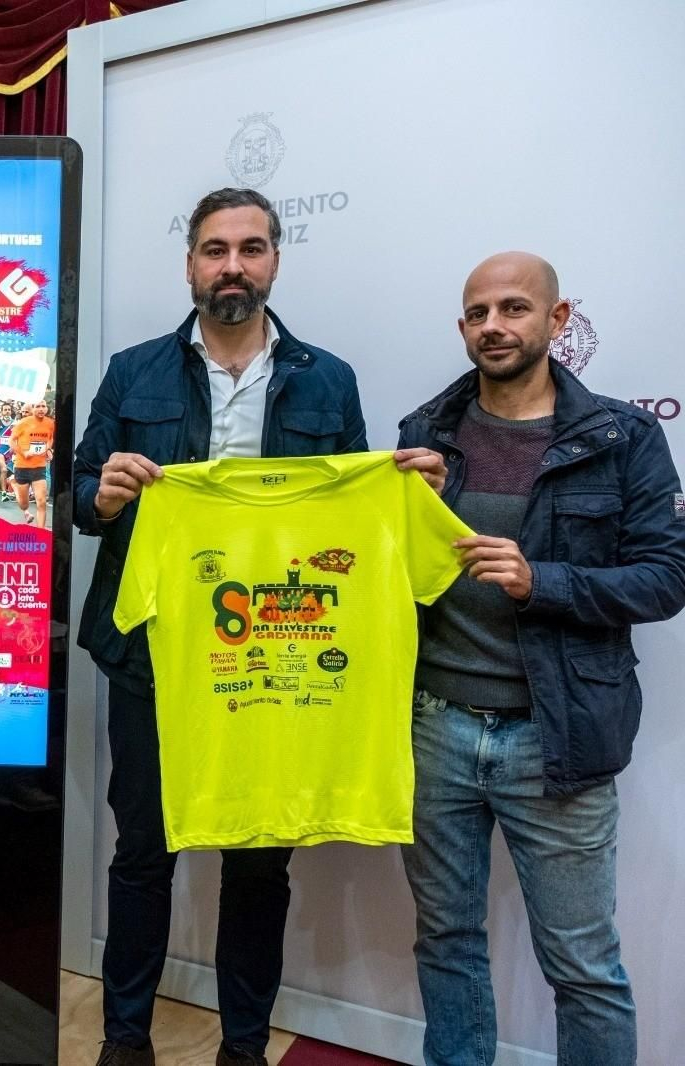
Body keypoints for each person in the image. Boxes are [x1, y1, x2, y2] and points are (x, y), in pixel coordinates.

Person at [73, 187, 368, 1066]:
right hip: (154, 649)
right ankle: (125, 1041)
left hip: (271, 652)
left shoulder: (329, 379)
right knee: (144, 851)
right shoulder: (134, 371)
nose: (231, 266)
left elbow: (346, 518)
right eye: (214, 249)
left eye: (249, 248)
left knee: (257, 863)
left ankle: (243, 1049)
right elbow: (77, 496)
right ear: (192, 263)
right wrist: (103, 493)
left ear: (275, 259)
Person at [393, 252, 685, 1066]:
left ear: (558, 321)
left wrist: (540, 580)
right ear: (462, 329)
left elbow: (667, 578)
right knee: (444, 940)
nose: (495, 325)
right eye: (478, 313)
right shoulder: (424, 434)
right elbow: (389, 576)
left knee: (583, 967)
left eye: (515, 308)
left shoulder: (622, 436)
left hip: (556, 738)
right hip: (434, 730)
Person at [9, 400, 56, 527]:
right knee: (24, 504)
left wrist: (48, 449)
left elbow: (50, 438)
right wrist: (24, 453)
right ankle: (14, 485)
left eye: (43, 406)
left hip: (39, 468)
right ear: (32, 408)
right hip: (22, 467)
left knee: (41, 502)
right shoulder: (23, 423)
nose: (41, 409)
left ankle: (40, 532)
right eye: (38, 406)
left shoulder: (50, 423)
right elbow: (12, 441)